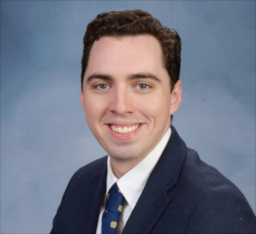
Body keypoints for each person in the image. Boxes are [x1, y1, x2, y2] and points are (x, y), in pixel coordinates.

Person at [50, 9, 255, 234]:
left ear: (173, 97)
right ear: (82, 96)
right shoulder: (82, 185)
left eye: (142, 85)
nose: (120, 106)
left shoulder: (216, 208)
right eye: (102, 85)